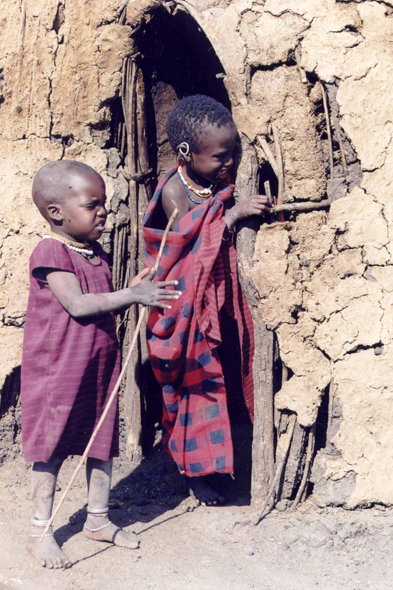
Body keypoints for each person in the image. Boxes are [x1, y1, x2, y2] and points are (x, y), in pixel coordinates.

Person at [21, 160, 180, 569]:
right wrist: (133, 296)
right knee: (51, 448)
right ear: (57, 212)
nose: (103, 212)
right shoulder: (51, 250)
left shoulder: (93, 253)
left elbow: (101, 300)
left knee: (102, 441)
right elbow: (77, 304)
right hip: (59, 372)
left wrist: (130, 290)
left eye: (103, 204)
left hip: (96, 366)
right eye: (93, 205)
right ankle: (40, 531)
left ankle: (97, 520)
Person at [143, 95, 273, 506]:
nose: (228, 165)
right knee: (193, 390)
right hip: (182, 309)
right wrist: (231, 215)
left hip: (213, 304)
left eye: (232, 155)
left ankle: (226, 464)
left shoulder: (212, 185)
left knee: (227, 379)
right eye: (219, 157)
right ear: (185, 153)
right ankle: (196, 475)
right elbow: (189, 252)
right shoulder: (174, 197)